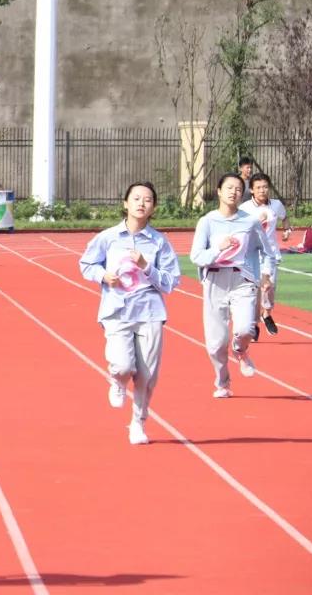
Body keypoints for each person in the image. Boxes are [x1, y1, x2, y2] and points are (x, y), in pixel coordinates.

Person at [78, 182, 180, 444]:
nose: (141, 203)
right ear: (125, 203)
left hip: (150, 312)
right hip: (117, 310)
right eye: (136, 198)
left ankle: (138, 423)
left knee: (147, 376)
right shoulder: (108, 237)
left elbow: (171, 281)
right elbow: (87, 263)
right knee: (123, 365)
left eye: (147, 199)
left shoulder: (159, 242)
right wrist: (103, 275)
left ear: (153, 207)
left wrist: (147, 267)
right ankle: (118, 380)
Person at [190, 173, 274, 398]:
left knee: (245, 329)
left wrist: (266, 275)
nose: (234, 192)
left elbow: (267, 251)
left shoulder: (250, 222)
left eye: (238, 189)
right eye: (229, 188)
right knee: (216, 344)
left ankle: (240, 350)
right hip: (215, 282)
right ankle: (222, 382)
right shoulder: (207, 221)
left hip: (242, 280)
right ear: (219, 191)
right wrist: (218, 249)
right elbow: (196, 256)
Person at [239, 173, 291, 337]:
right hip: (251, 255)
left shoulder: (276, 205)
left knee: (269, 286)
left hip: (270, 254)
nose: (262, 190)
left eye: (265, 187)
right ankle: (254, 323)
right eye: (258, 187)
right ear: (252, 190)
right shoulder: (245, 208)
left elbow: (285, 218)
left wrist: (287, 230)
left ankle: (266, 313)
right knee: (254, 290)